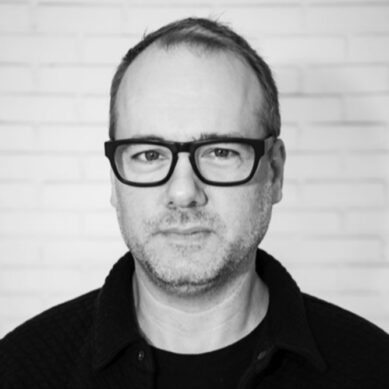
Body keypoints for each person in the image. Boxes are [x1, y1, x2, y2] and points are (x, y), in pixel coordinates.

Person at [0, 17, 388, 389]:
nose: (184, 192)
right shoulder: (19, 369)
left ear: (274, 172)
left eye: (220, 152)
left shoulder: (373, 369)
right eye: (149, 155)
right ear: (114, 180)